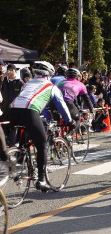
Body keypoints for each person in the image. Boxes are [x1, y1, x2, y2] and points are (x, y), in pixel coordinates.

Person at [9, 61, 73, 192]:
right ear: (49, 74)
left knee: (28, 132)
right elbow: (62, 106)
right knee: (42, 144)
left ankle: (20, 155)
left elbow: (31, 100)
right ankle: (41, 180)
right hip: (30, 111)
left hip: (13, 110)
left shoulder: (27, 83)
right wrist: (69, 120)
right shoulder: (51, 87)